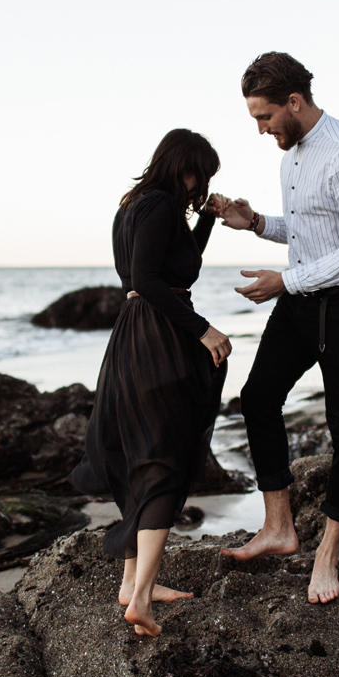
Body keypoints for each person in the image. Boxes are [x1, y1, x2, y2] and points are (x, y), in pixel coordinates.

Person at [212, 52, 339, 604]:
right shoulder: (290, 157)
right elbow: (312, 229)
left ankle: (327, 554)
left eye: (265, 118)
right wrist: (257, 223)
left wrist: (285, 282)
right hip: (303, 300)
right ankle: (279, 528)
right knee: (258, 398)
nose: (262, 130)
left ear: (294, 100)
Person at [68, 128, 232, 636]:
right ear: (185, 165)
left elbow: (178, 265)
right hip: (159, 334)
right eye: (198, 175)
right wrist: (203, 329)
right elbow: (149, 279)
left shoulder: (134, 205)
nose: (198, 186)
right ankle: (140, 599)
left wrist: (206, 219)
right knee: (165, 458)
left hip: (131, 336)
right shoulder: (161, 205)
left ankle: (132, 581)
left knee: (145, 453)